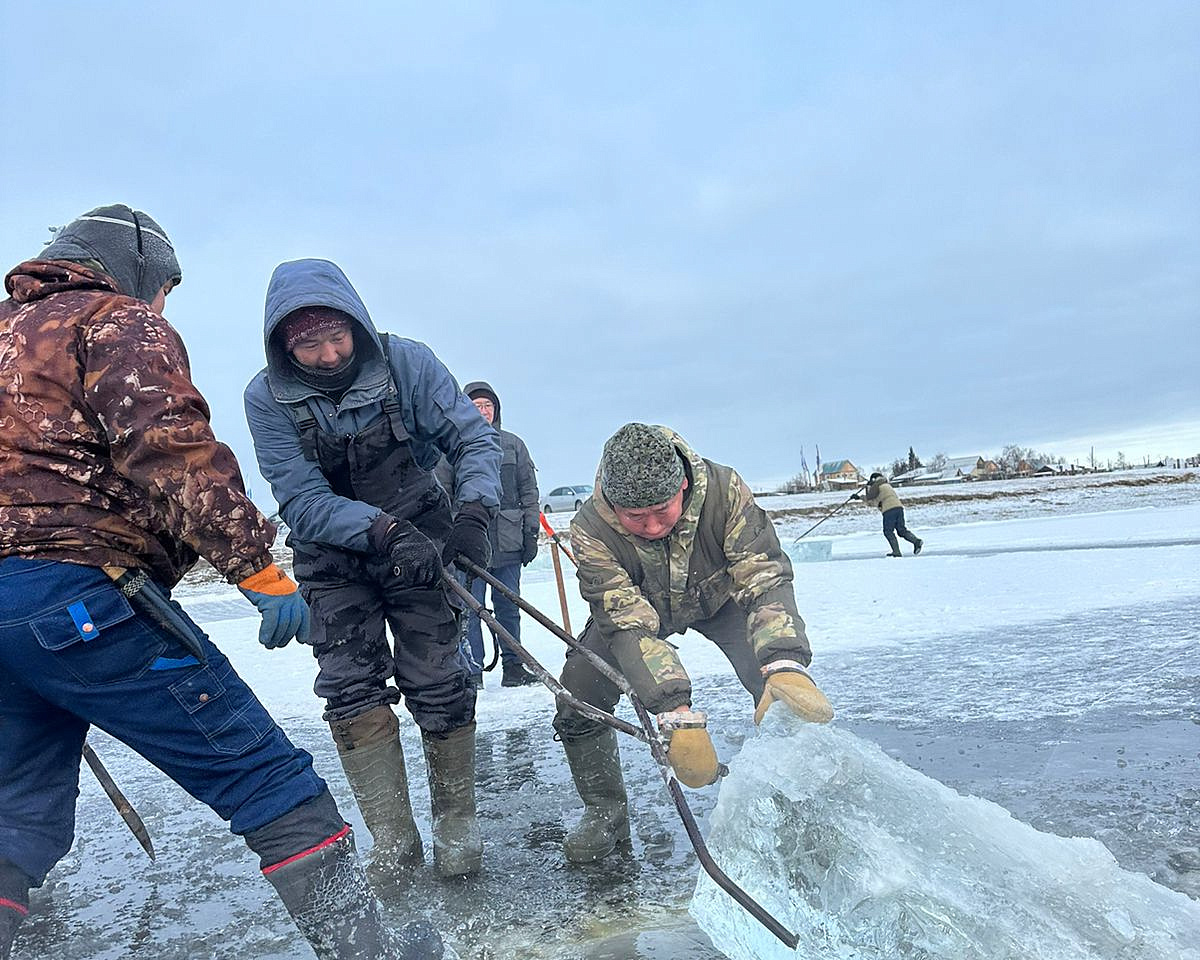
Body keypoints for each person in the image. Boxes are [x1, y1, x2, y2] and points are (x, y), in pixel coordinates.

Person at [0, 206, 441, 960]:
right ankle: (366, 951)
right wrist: (259, 572)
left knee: (14, 821)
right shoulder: (112, 320)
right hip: (81, 596)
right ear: (136, 270)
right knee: (266, 777)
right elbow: (171, 450)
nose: (163, 307)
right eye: (164, 289)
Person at [243, 258, 501, 882]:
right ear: (283, 344)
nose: (329, 355)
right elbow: (300, 499)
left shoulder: (408, 363)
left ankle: (457, 831)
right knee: (350, 688)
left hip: (425, 538)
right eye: (309, 344)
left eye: (338, 337)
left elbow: (473, 439)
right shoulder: (265, 398)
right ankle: (394, 840)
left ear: (358, 324)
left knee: (440, 678)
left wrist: (474, 511)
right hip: (333, 557)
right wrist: (380, 530)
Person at [553, 422, 833, 863]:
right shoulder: (590, 527)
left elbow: (763, 576)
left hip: (720, 597)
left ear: (683, 485)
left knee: (781, 695)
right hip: (638, 611)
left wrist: (784, 661)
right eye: (634, 517)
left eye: (662, 511)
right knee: (577, 696)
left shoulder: (725, 491)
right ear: (611, 501)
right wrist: (674, 712)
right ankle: (604, 812)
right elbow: (626, 622)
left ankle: (804, 807)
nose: (650, 526)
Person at [436, 381, 541, 689]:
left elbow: (529, 492)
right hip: (471, 547)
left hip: (509, 544)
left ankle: (514, 665)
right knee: (469, 609)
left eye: (488, 406)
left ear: (496, 410)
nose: (483, 411)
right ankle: (472, 670)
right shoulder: (451, 449)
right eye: (477, 406)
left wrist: (530, 533)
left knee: (509, 607)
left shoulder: (514, 445)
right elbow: (442, 495)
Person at [854, 472, 923, 557]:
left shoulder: (877, 485)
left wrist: (866, 488)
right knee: (901, 530)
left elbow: (870, 497)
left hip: (889, 510)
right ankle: (916, 541)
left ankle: (896, 552)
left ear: (873, 479)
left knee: (888, 531)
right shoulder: (885, 485)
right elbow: (874, 499)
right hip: (898, 507)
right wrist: (860, 497)